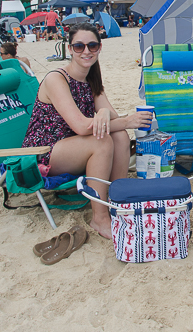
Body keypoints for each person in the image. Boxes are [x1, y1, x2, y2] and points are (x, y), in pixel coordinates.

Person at [21, 23, 151, 237]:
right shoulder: (56, 79)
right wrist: (127, 121)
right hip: (44, 153)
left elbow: (113, 116)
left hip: (73, 146)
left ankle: (117, 199)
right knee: (102, 140)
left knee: (118, 135)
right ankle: (99, 219)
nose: (86, 51)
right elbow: (81, 127)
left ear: (99, 48)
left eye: (92, 45)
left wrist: (104, 115)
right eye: (79, 46)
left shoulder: (90, 79)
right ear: (70, 49)